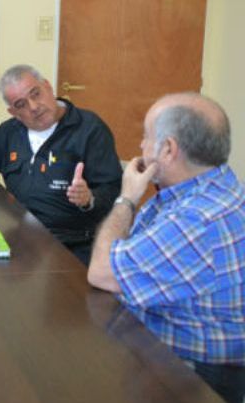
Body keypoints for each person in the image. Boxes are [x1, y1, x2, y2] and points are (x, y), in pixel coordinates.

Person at [87, 93, 244, 403]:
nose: (142, 147)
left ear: (169, 149)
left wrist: (127, 198)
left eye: (146, 137)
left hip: (194, 374)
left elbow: (102, 272)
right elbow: (131, 248)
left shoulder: (195, 219)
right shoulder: (213, 185)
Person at [0, 64, 121, 264]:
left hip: (71, 245)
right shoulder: (9, 134)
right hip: (22, 241)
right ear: (13, 112)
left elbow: (113, 190)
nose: (33, 107)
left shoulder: (89, 129)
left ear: (48, 87)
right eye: (21, 104)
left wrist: (89, 199)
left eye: (36, 94)